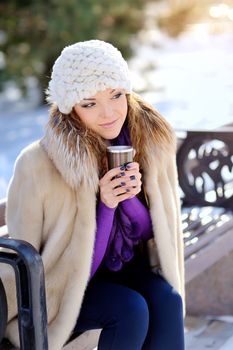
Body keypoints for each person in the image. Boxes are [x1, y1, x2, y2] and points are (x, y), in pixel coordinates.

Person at [1, 40, 185, 350]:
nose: (109, 112)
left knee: (166, 299)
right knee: (129, 309)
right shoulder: (36, 164)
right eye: (89, 103)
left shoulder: (149, 141)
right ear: (70, 107)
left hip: (123, 268)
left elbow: (153, 234)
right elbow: (28, 265)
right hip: (63, 285)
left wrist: (128, 197)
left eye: (115, 95)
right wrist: (106, 206)